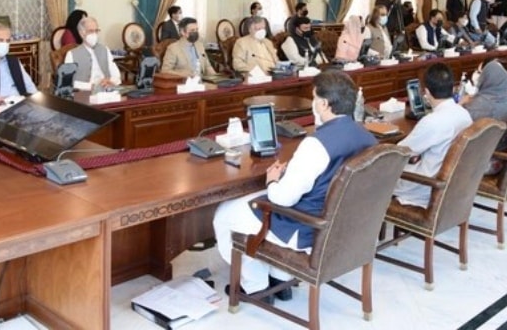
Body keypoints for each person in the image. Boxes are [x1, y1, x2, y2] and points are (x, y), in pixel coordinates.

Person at [213, 70, 377, 299]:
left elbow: (282, 199)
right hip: (342, 226)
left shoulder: (316, 144)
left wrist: (273, 181)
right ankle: (281, 279)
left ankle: (255, 286)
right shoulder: (369, 138)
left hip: (308, 228)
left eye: (314, 99)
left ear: (324, 104)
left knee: (225, 213)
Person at [393, 63, 472, 208]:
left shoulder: (432, 122)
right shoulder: (464, 114)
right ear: (452, 87)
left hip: (425, 185)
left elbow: (398, 153)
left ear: (427, 92)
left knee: (376, 174)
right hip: (451, 184)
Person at [460, 59, 507, 176]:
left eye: (481, 73)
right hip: (501, 157)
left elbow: (457, 123)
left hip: (481, 161)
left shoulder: (478, 105)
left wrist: (460, 104)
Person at [64, 17, 122, 90]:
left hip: (106, 91)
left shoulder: (105, 50)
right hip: (84, 94)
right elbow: (67, 82)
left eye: (96, 30)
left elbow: (116, 75)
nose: (94, 34)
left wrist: (110, 81)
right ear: (82, 33)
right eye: (91, 31)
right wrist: (90, 86)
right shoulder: (71, 54)